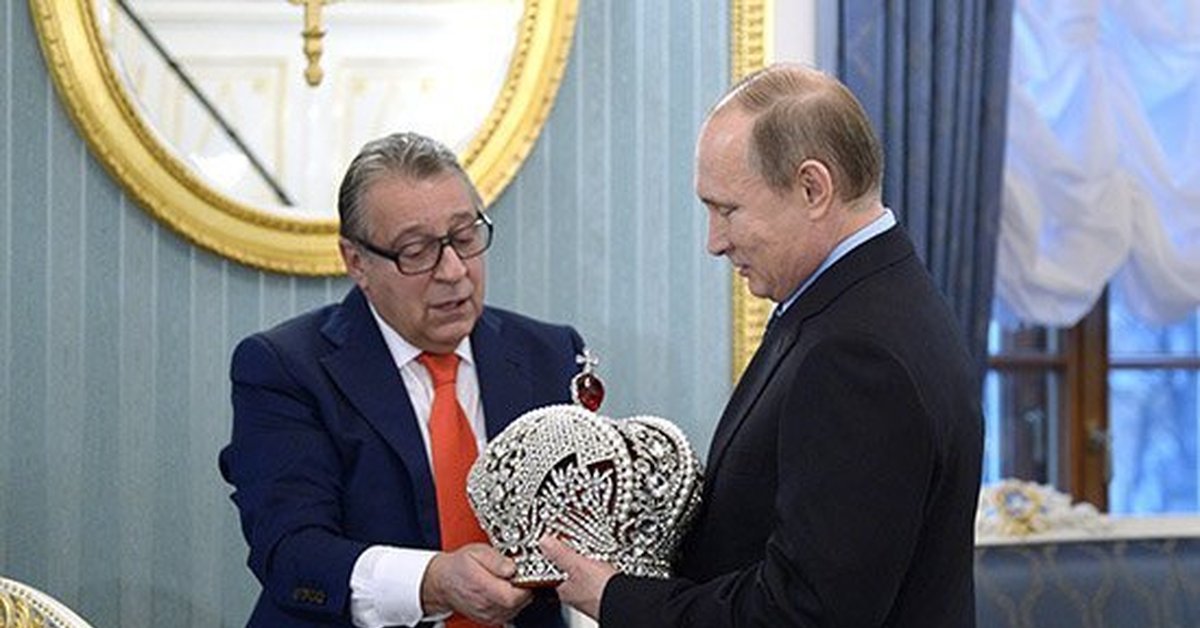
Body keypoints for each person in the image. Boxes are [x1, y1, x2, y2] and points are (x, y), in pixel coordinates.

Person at [541, 63, 984, 627]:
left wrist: (612, 597)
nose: (714, 241)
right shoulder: (861, 302)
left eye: (727, 210)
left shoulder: (856, 353)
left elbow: (802, 615)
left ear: (812, 189)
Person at [220, 132, 582, 628]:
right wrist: (431, 581)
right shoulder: (285, 369)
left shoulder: (551, 355)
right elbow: (293, 551)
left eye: (465, 237)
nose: (453, 270)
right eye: (416, 251)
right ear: (356, 262)